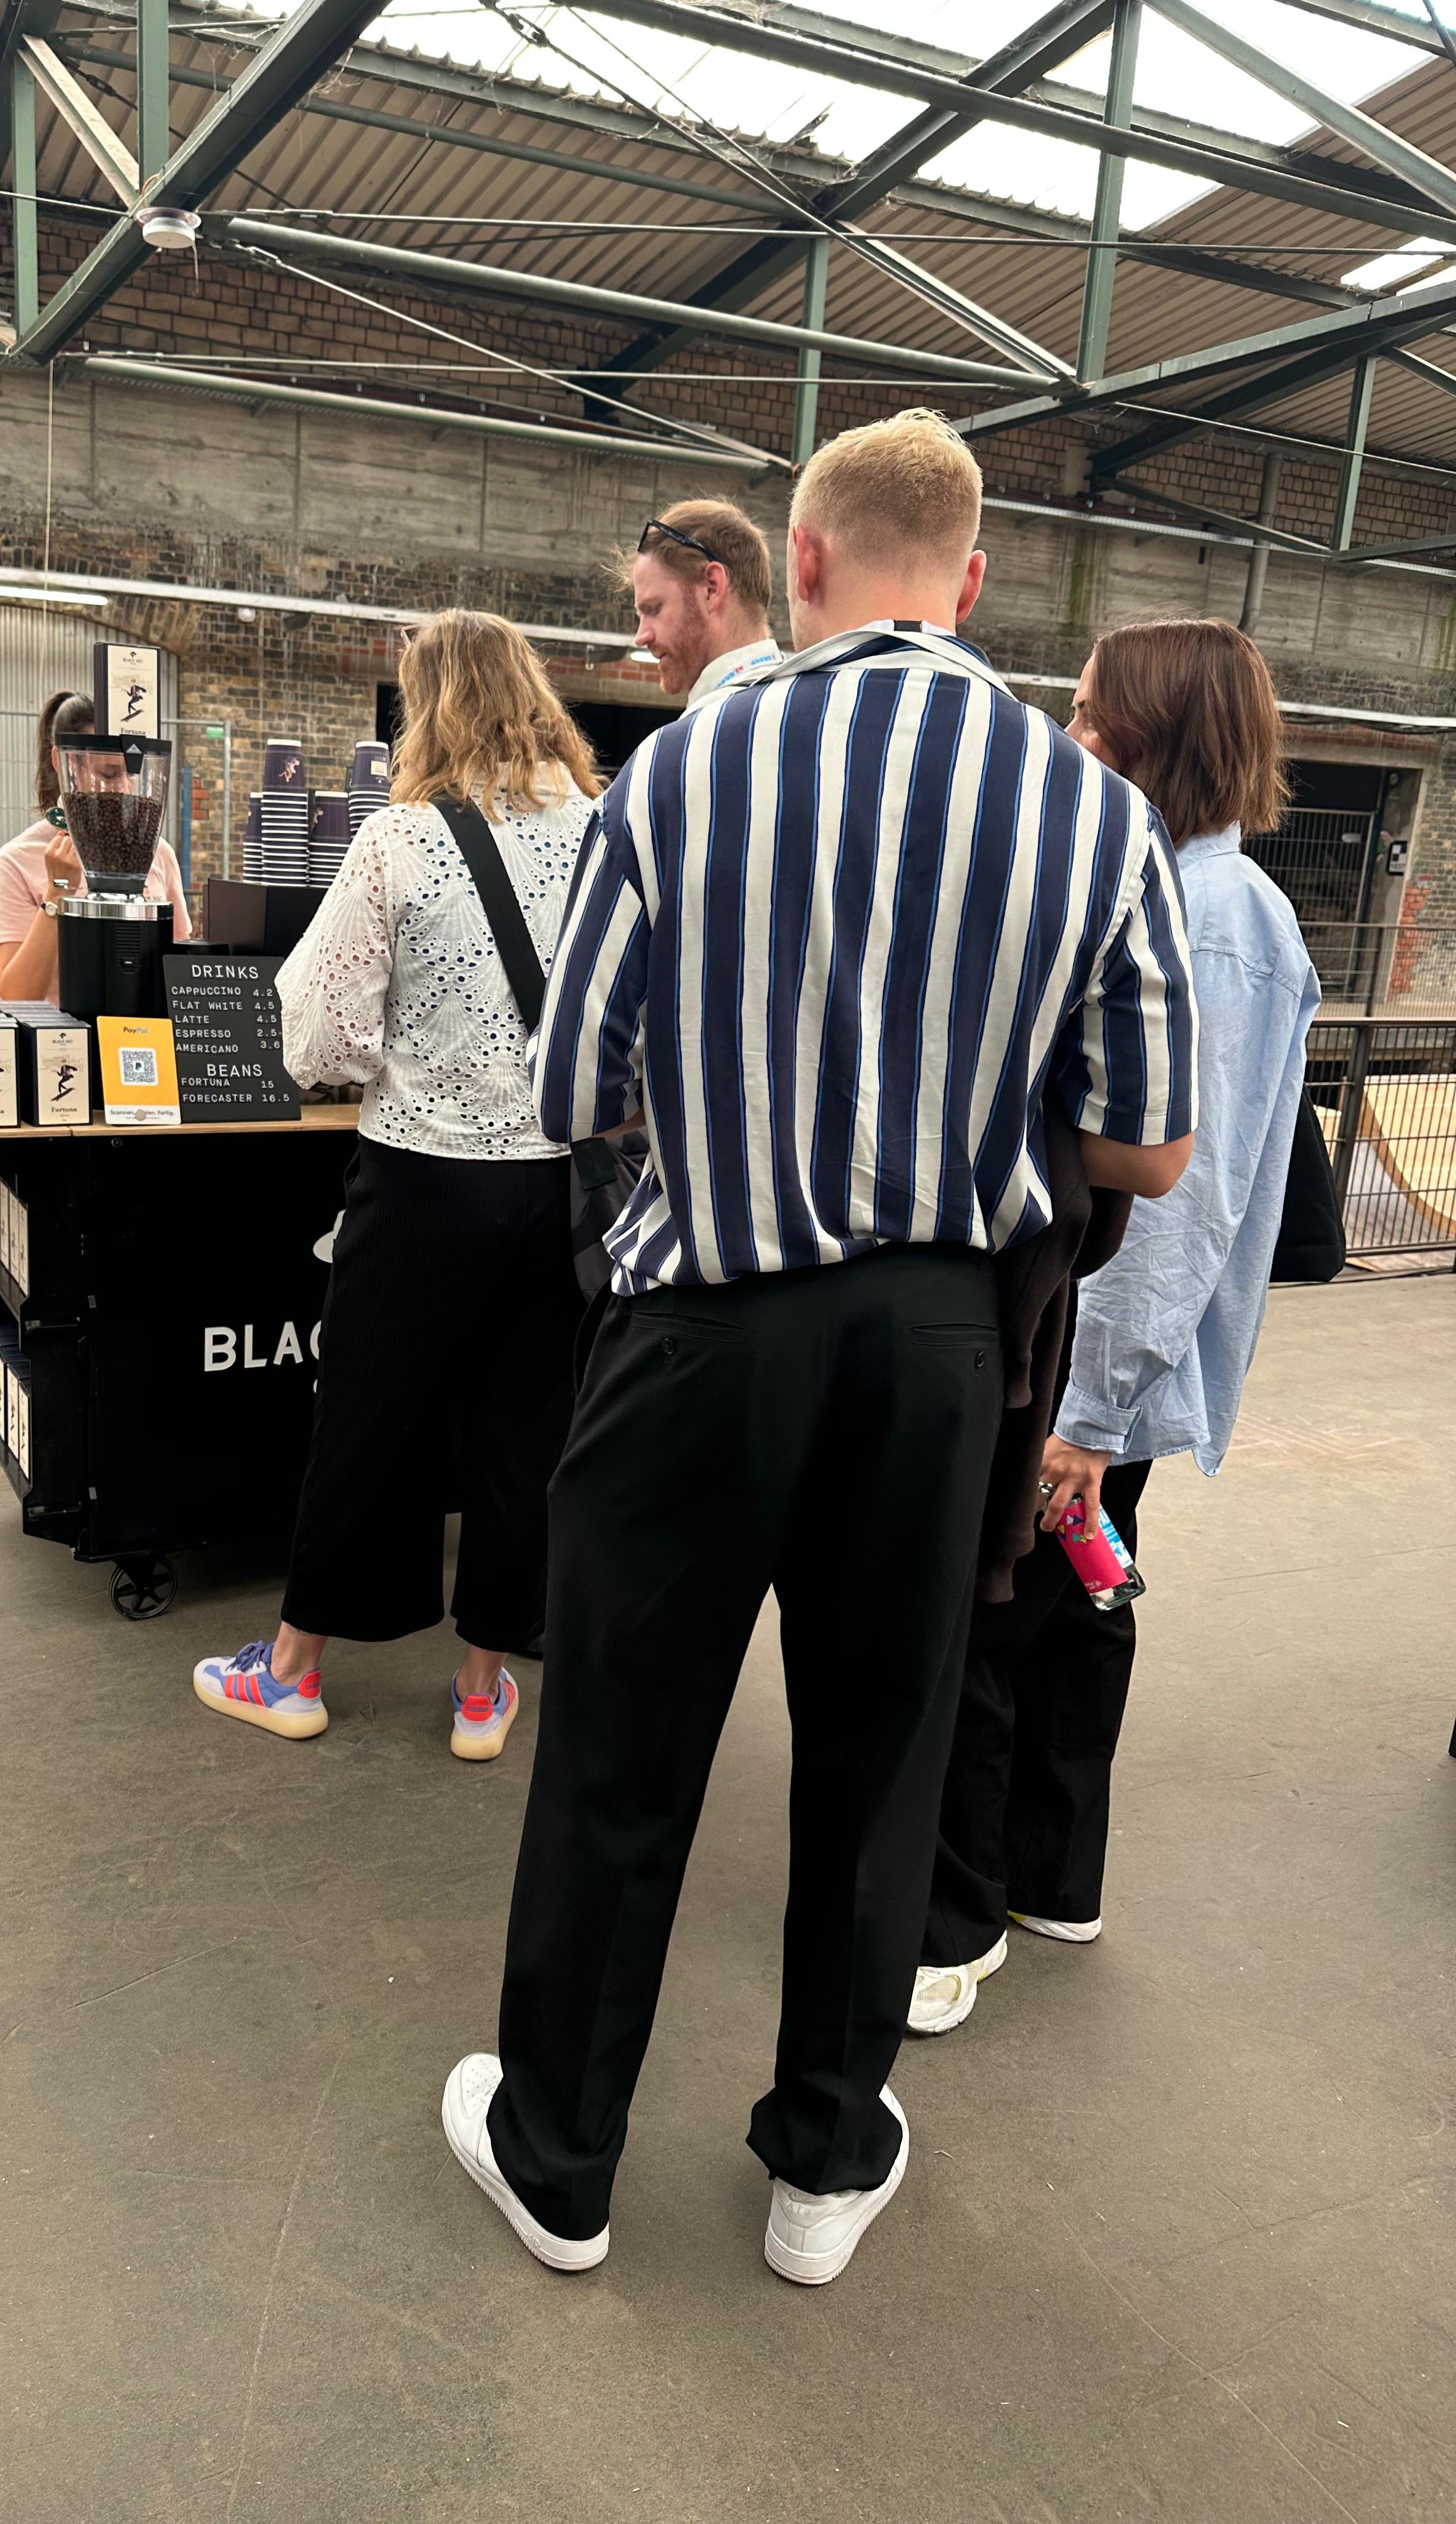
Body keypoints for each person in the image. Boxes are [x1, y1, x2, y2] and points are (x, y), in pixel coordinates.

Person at [438, 409, 1198, 2287]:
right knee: (881, 1747)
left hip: (700, 1327)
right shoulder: (1092, 811)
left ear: (797, 560)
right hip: (936, 1346)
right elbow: (1150, 1143)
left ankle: (561, 2161)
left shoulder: (684, 769)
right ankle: (822, 2169)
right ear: (975, 576)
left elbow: (572, 1086)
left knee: (622, 1742)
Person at [913, 618, 1318, 2035]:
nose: (1070, 738)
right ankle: (1050, 1876)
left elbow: (1179, 1197)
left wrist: (1084, 1412)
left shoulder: (1205, 918)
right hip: (1108, 1363)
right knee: (1080, 1613)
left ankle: (953, 1926)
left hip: (1091, 1362)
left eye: (1094, 718)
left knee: (990, 1626)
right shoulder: (1199, 898)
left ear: (1161, 744)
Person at [194, 611, 600, 1762]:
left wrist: (399, 1056)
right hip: (556, 1185)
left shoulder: (398, 837)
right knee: (525, 1435)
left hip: (419, 1178)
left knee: (367, 1422)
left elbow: (318, 1034)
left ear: (430, 705)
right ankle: (481, 1690)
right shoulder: (603, 831)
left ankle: (291, 1674)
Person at [0, 689, 191, 1003]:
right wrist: (57, 893)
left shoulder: (158, 854)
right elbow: (16, 994)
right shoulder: (17, 860)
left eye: (131, 775)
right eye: (108, 775)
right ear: (65, 762)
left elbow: (182, 973)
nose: (123, 789)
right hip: (60, 1034)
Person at [626, 502, 781, 708]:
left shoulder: (700, 727)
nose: (641, 637)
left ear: (712, 588)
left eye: (655, 609)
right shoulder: (814, 711)